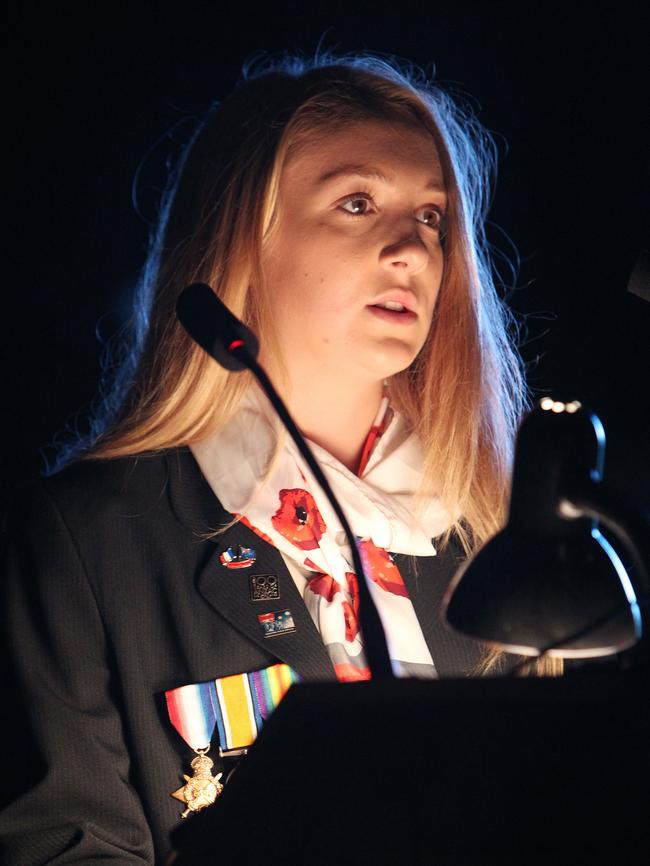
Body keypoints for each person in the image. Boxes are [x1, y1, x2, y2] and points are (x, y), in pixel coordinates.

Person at [0, 52, 562, 864]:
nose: (413, 247)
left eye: (434, 217)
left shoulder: (501, 538)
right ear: (242, 242)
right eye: (358, 202)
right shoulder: (90, 542)